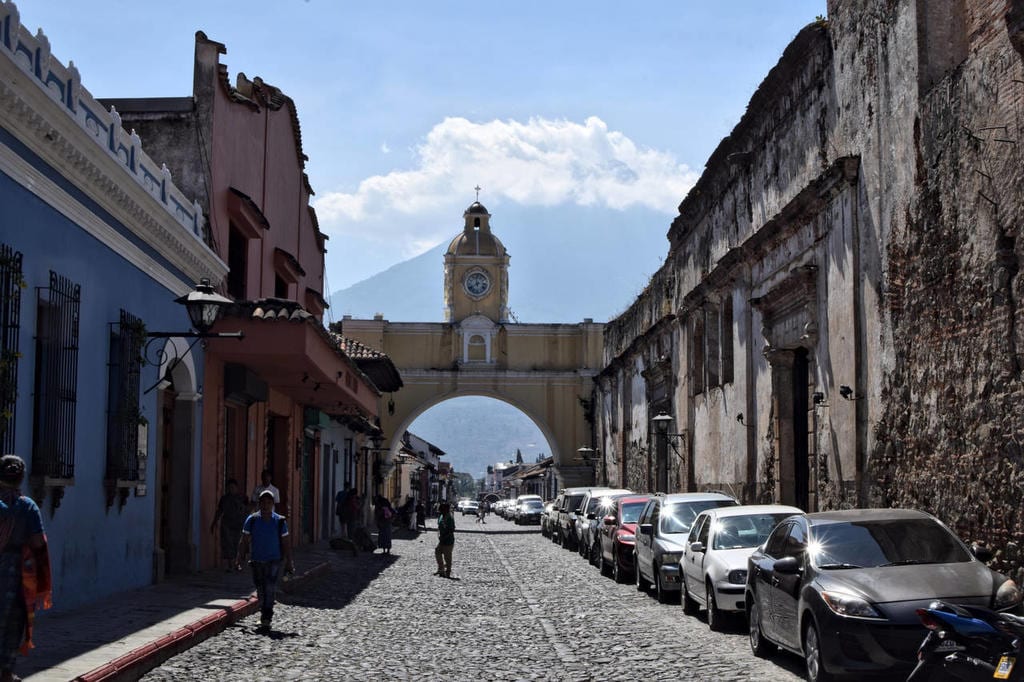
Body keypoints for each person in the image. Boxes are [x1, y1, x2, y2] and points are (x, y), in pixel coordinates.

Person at [0, 455, 51, 682]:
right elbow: (38, 541)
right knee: (12, 622)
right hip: (15, 573)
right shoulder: (27, 506)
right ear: (21, 478)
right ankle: (5, 671)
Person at [236, 490, 294, 630]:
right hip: (256, 561)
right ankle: (264, 613)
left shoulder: (279, 521)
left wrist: (289, 562)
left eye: (269, 503)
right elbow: (244, 540)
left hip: (274, 560)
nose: (266, 506)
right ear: (259, 504)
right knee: (260, 589)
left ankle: (267, 616)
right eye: (263, 502)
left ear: (273, 504)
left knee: (270, 587)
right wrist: (240, 557)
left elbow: (286, 542)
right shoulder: (252, 520)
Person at [210, 479, 247, 572]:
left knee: (237, 544)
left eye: (233, 487)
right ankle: (230, 565)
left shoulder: (242, 498)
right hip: (227, 524)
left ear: (237, 488)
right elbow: (219, 511)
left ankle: (237, 564)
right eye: (229, 488)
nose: (231, 489)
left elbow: (247, 510)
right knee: (228, 544)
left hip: (238, 524)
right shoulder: (224, 499)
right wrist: (214, 522)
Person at [435, 501, 455, 578]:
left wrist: (444, 537)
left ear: (445, 510)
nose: (439, 511)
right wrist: (439, 535)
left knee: (447, 557)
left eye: (441, 510)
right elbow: (439, 527)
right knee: (437, 552)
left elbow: (452, 530)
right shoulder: (441, 516)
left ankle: (448, 572)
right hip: (442, 539)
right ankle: (441, 569)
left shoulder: (449, 518)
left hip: (448, 540)